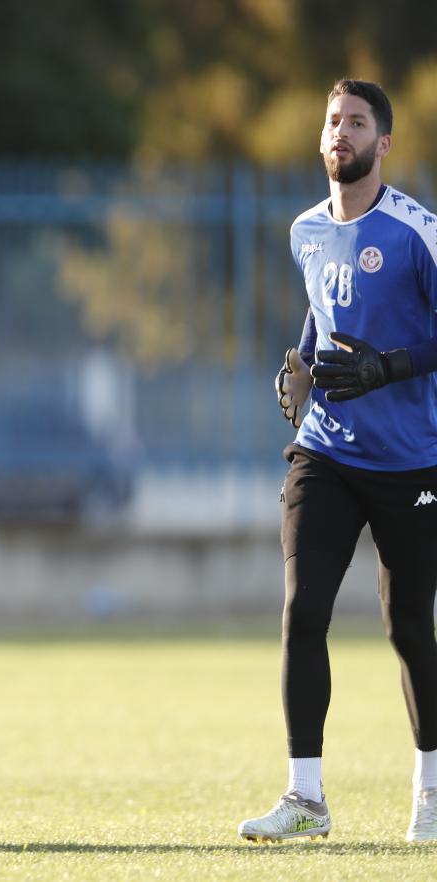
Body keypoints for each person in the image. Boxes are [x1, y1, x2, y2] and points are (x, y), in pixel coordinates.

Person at [241, 79, 437, 844]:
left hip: (411, 463)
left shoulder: (418, 232)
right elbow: (320, 311)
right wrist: (299, 365)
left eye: (357, 122)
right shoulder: (305, 230)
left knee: (408, 627)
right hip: (324, 450)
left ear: (383, 144)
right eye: (333, 121)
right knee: (302, 611)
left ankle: (430, 789)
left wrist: (390, 367)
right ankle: (306, 797)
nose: (341, 132)